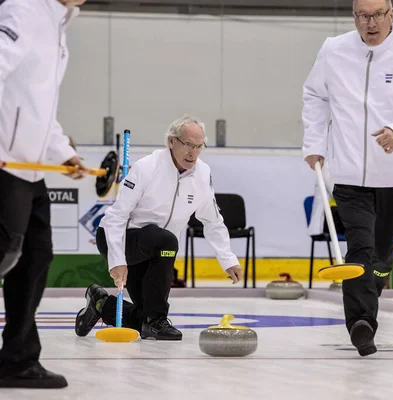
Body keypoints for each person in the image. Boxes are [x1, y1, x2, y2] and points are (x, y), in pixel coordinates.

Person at [301, 0, 393, 356]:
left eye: (377, 15)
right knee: (361, 249)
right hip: (349, 173)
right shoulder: (334, 51)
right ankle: (361, 323)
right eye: (363, 16)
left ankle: (374, 285)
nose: (370, 23)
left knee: (381, 256)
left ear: (391, 15)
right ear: (354, 17)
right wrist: (314, 143)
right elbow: (315, 96)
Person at [74, 115, 242, 340]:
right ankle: (158, 321)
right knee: (167, 240)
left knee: (145, 315)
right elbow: (116, 217)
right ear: (172, 141)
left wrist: (227, 258)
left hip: (156, 250)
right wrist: (117, 260)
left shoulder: (202, 174)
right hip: (122, 238)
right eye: (187, 144)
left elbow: (212, 220)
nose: (193, 152)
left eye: (199, 146)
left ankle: (101, 303)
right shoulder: (147, 168)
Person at [0, 0, 88, 389]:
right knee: (5, 252)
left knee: (35, 257)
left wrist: (63, 153)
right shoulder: (23, 8)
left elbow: (39, 110)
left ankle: (17, 360)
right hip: (5, 163)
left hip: (31, 169)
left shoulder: (59, 23)